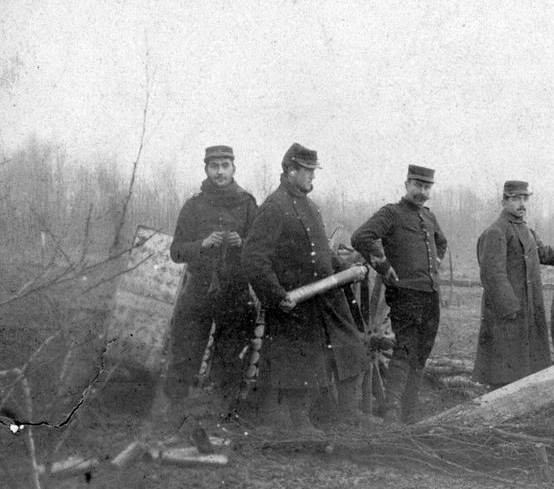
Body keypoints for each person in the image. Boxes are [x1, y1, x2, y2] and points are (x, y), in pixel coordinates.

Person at [241, 143, 376, 436]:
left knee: (350, 343)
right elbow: (253, 258)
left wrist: (346, 271)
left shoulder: (310, 206)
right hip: (295, 301)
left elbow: (324, 252)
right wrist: (276, 296)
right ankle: (299, 421)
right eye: (307, 171)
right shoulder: (273, 207)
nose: (312, 177)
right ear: (290, 170)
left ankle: (348, 413)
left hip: (326, 295)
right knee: (302, 358)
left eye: (313, 171)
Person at [160, 145, 258, 420]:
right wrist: (201, 245)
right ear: (206, 169)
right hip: (199, 289)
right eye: (214, 166)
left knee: (231, 352)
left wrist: (244, 243)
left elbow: (263, 247)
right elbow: (176, 251)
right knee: (185, 350)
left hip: (235, 292)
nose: (220, 172)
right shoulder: (193, 206)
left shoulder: (248, 204)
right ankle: (174, 409)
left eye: (225, 165)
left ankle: (222, 411)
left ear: (233, 169)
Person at [351, 164, 447, 423]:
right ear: (406, 185)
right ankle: (392, 410)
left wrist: (433, 269)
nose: (422, 192)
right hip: (405, 294)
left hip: (429, 294)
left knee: (422, 351)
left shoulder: (429, 217)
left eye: (427, 187)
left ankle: (410, 411)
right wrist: (383, 266)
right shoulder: (391, 214)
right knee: (404, 349)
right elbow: (361, 237)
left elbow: (442, 242)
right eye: (417, 186)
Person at [473, 180, 554, 388]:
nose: (522, 204)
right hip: (507, 312)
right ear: (503, 201)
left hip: (528, 309)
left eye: (524, 199)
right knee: (504, 368)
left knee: (526, 365)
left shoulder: (526, 231)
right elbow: (493, 274)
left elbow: (546, 253)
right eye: (515, 199)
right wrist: (510, 308)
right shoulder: (496, 231)